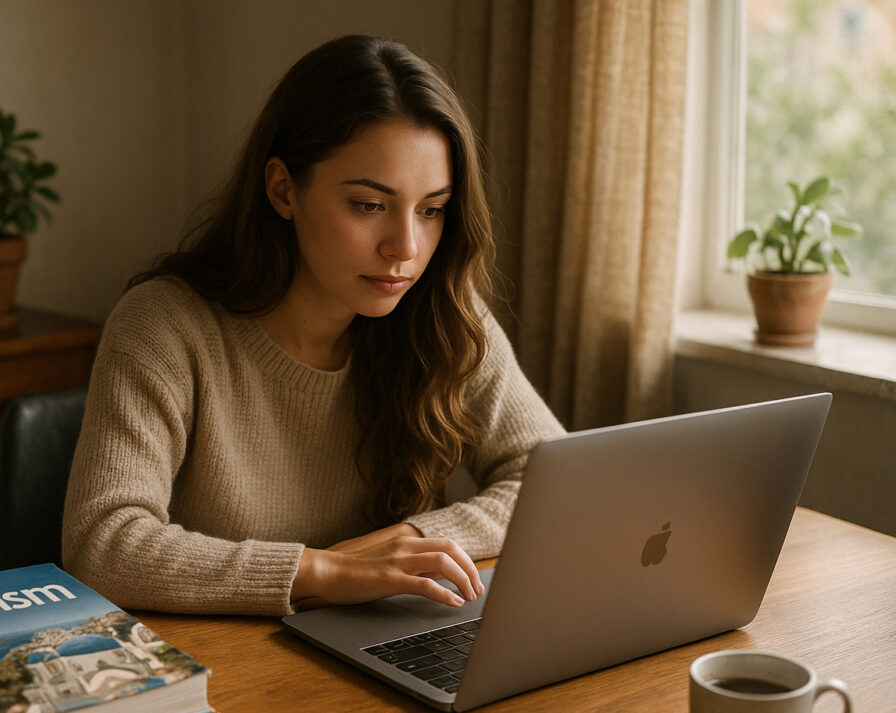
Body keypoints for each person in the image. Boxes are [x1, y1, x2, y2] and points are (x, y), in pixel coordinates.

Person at [62, 34, 564, 616]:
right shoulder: (164, 327)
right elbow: (104, 544)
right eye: (369, 205)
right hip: (222, 664)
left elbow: (553, 480)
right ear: (283, 190)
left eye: (431, 210)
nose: (404, 247)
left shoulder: (443, 312)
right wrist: (324, 569)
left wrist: (411, 543)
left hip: (372, 640)